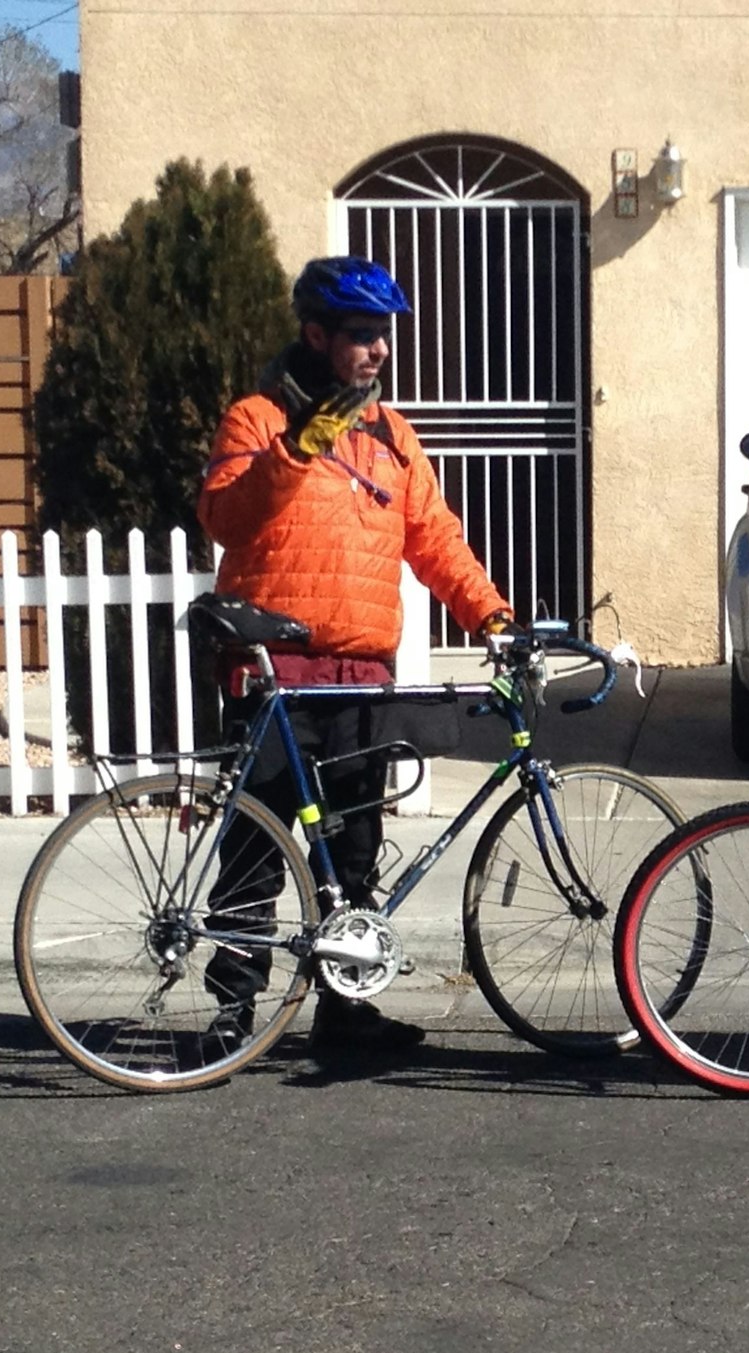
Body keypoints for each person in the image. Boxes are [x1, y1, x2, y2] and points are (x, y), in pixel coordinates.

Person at [196, 256, 514, 1054]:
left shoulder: (392, 435)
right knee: (256, 848)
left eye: (384, 336)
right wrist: (296, 450)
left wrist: (491, 615)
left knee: (352, 850)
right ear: (317, 335)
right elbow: (225, 518)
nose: (378, 351)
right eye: (362, 336)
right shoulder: (255, 419)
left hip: (360, 671)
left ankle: (343, 1007)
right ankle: (236, 1011)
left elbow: (435, 540)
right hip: (275, 669)